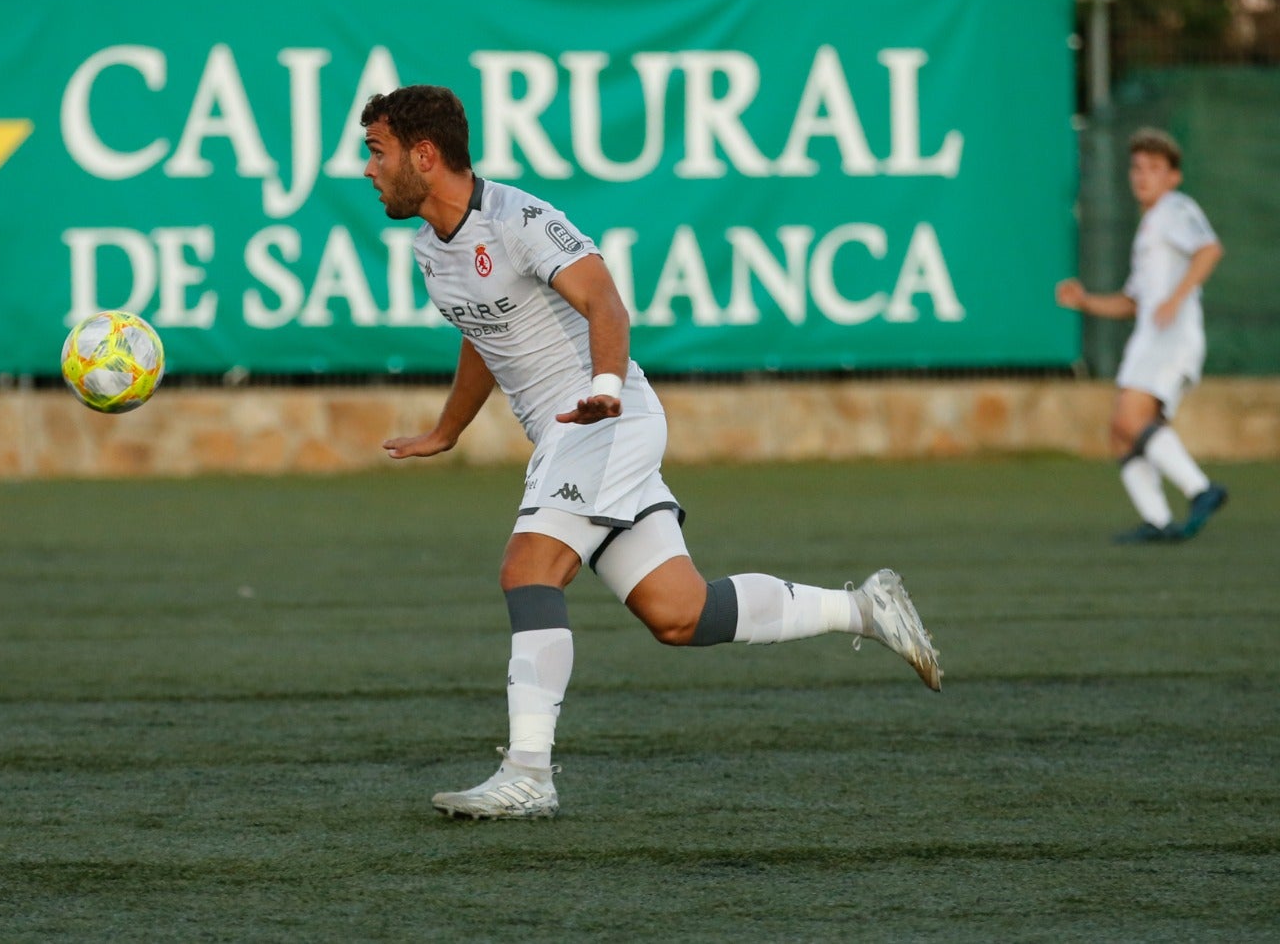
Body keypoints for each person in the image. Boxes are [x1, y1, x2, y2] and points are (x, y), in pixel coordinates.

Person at [360, 84, 941, 821]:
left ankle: (529, 773)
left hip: (607, 417)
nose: (368, 169)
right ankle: (862, 607)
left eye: (377, 152)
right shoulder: (429, 248)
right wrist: (448, 430)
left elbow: (606, 303)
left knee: (527, 568)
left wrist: (604, 385)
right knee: (680, 612)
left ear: (424, 153)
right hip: (574, 432)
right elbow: (485, 333)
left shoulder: (520, 219)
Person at [1056, 127, 1227, 544]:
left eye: (1154, 168)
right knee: (1120, 430)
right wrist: (1086, 301)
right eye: (1137, 168)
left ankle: (1200, 489)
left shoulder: (1175, 208)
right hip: (1149, 338)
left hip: (1172, 337)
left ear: (1173, 176)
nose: (1142, 176)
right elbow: (1133, 300)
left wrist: (1176, 298)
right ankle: (1158, 521)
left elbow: (1209, 249)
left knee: (1131, 420)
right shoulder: (1151, 224)